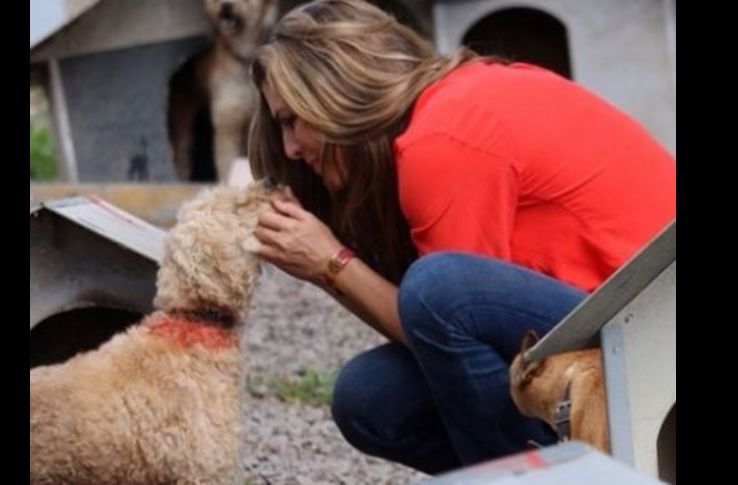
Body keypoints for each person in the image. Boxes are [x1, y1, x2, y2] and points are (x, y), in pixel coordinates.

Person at [248, 0, 675, 474]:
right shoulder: (451, 105)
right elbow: (446, 347)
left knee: (436, 289)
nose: (289, 147)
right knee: (369, 396)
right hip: (618, 319)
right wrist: (328, 265)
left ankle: (536, 480)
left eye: (291, 121)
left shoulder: (441, 137)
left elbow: (441, 316)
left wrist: (331, 262)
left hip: (658, 329)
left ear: (336, 90)